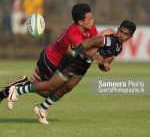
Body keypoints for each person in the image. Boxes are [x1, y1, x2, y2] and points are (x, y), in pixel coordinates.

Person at [4, 20, 136, 125]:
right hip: (73, 61)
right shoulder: (108, 39)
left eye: (125, 34)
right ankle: (17, 90)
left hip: (83, 67)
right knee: (50, 86)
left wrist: (104, 66)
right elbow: (87, 43)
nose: (121, 35)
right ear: (118, 29)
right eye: (120, 31)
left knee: (66, 89)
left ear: (130, 37)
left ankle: (42, 108)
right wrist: (75, 53)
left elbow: (103, 63)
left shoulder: (118, 48)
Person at [0, 3, 105, 124]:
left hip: (61, 62)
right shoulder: (73, 33)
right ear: (80, 22)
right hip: (50, 61)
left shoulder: (90, 28)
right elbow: (85, 51)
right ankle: (19, 87)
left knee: (50, 91)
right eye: (90, 19)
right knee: (48, 91)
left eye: (92, 18)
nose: (93, 21)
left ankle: (16, 88)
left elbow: (93, 43)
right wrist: (100, 55)